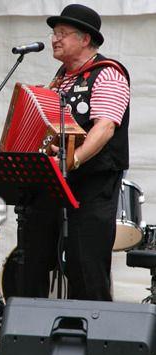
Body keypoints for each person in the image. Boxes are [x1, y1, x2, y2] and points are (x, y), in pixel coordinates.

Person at [21, 4, 130, 301]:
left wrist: (73, 160)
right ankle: (33, 336)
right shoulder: (59, 80)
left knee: (86, 266)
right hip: (52, 184)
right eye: (54, 33)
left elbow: (105, 127)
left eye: (63, 33)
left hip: (91, 187)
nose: (55, 39)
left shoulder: (108, 74)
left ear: (85, 39)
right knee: (32, 259)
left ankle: (93, 340)